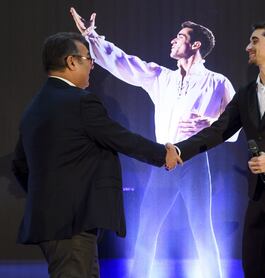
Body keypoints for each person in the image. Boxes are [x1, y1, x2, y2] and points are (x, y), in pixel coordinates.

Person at [70, 7, 239, 278]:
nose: (173, 40)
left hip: (194, 162)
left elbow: (236, 128)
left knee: (202, 229)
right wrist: (92, 36)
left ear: (195, 44)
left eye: (180, 36)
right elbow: (124, 63)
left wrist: (208, 124)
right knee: (147, 228)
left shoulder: (217, 82)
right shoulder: (163, 77)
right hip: (162, 160)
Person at [11, 32, 180, 278]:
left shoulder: (34, 107)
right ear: (71, 62)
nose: (92, 64)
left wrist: (48, 197)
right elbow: (120, 137)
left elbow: (19, 165)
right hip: (72, 224)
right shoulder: (80, 102)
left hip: (55, 223)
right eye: (88, 58)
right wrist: (163, 154)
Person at [174, 22, 265, 277]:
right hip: (257, 193)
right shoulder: (245, 94)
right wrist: (178, 151)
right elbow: (219, 131)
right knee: (253, 267)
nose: (247, 47)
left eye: (255, 41)